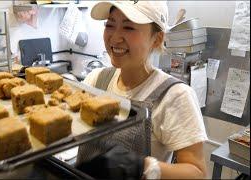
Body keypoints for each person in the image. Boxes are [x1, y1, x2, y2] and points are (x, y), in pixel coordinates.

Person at [75, 1, 208, 179]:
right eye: (110, 24)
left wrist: (142, 166)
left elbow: (198, 173)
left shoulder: (175, 96)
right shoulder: (96, 80)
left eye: (128, 27)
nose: (115, 38)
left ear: (157, 39)